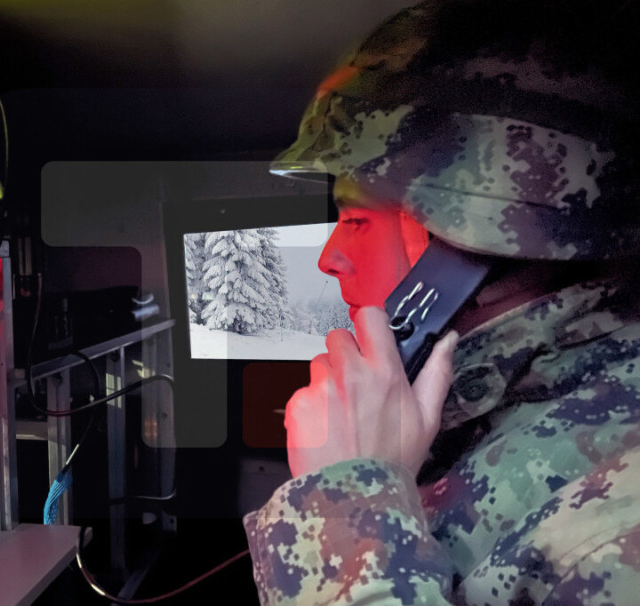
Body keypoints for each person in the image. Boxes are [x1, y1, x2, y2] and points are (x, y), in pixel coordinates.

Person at [242, 0, 640, 603]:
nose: (329, 258)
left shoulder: (618, 518)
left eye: (355, 219)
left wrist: (347, 497)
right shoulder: (493, 400)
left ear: (467, 244)